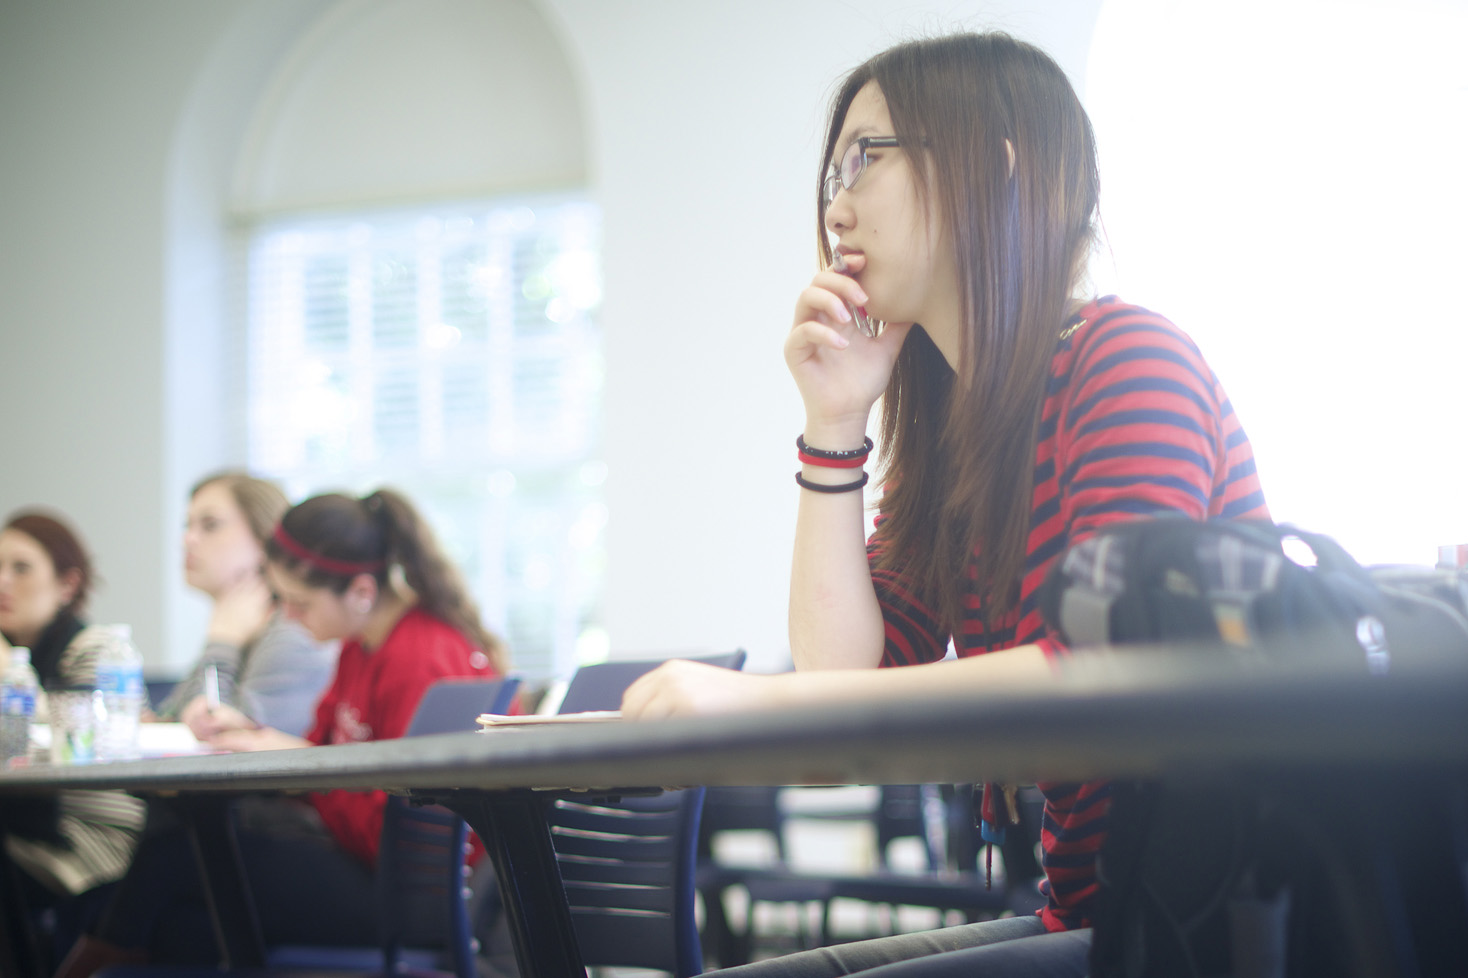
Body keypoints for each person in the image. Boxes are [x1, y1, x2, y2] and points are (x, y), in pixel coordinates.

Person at [621, 31, 1268, 978]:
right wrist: (837, 420)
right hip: (1094, 913)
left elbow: (1106, 673)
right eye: (834, 169)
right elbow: (847, 680)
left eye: (866, 157)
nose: (834, 204)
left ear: (996, 172)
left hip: (1210, 925)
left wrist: (750, 699)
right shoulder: (959, 435)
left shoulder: (1129, 358)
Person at [52, 488, 510, 978]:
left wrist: (304, 763)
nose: (288, 617)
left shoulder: (421, 657)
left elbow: (398, 828)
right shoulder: (361, 648)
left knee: (177, 856)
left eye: (299, 603)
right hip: (371, 869)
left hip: (411, 895)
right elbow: (322, 754)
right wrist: (255, 735)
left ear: (359, 592)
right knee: (181, 932)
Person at [0, 512, 144, 916]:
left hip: (86, 846)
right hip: (25, 831)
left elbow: (63, 749)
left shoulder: (96, 648)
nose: (3, 582)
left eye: (21, 568)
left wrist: (8, 666)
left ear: (67, 584)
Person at [153, 472, 333, 739]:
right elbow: (170, 720)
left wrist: (222, 641)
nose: (188, 539)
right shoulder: (241, 627)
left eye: (210, 525)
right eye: (187, 526)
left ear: (264, 539)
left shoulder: (293, 636)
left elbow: (216, 746)